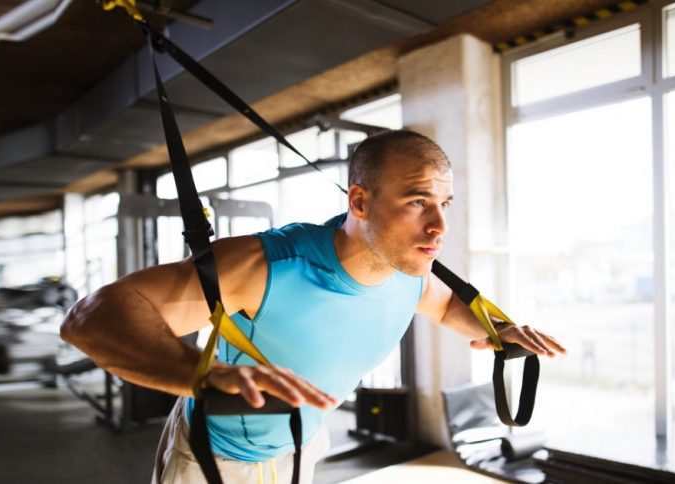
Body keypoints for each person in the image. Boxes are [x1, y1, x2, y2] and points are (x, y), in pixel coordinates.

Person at [60, 129, 566, 483]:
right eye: (417, 202)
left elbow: (446, 304)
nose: (439, 226)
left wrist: (497, 329)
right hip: (216, 458)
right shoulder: (268, 266)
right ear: (360, 202)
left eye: (443, 204)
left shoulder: (408, 274)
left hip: (303, 444)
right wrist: (201, 374)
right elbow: (90, 318)